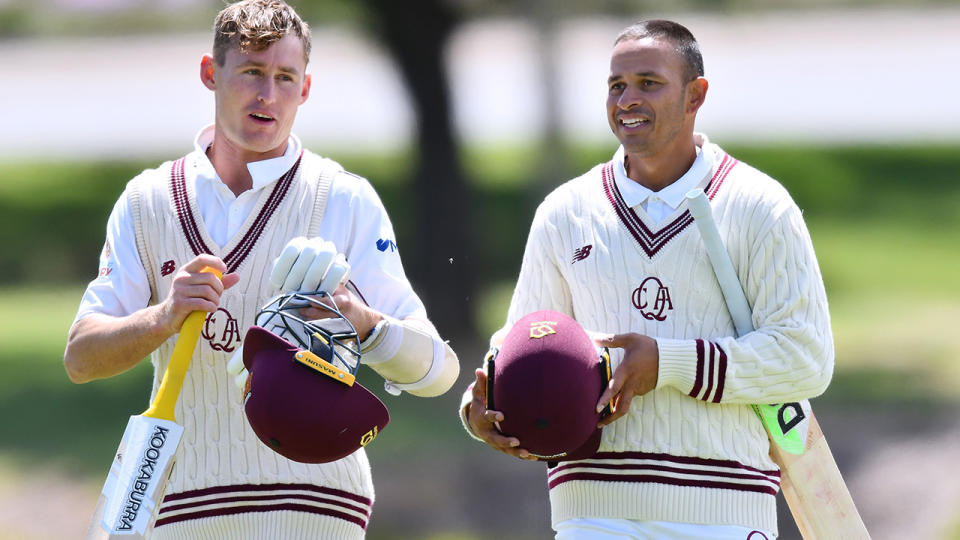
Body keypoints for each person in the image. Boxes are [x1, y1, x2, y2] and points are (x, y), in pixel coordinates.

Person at [63, 1, 459, 538]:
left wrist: (356, 317)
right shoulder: (147, 201)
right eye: (252, 73)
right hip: (183, 508)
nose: (268, 95)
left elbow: (438, 372)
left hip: (319, 507)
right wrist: (164, 316)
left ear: (306, 87)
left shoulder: (341, 198)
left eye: (285, 77)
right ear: (211, 73)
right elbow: (81, 358)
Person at [459, 19, 834, 539]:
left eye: (648, 83)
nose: (627, 100)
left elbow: (805, 357)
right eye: (616, 86)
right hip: (590, 509)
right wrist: (485, 408)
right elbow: (525, 343)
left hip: (723, 511)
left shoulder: (758, 206)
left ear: (694, 95)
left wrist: (668, 364)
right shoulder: (566, 212)